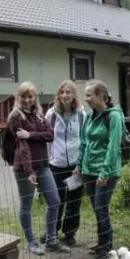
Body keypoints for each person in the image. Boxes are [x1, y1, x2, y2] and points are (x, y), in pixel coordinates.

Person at [7, 81, 71, 255]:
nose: (27, 100)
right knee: (26, 205)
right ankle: (30, 241)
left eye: (30, 96)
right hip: (24, 168)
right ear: (18, 97)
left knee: (54, 201)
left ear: (34, 97)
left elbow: (50, 135)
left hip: (43, 165)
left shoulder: (39, 114)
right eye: (23, 96)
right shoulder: (16, 117)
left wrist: (30, 135)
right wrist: (29, 171)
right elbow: (23, 147)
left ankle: (51, 240)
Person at [76, 79, 124, 259]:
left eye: (89, 95)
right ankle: (101, 242)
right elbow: (84, 142)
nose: (86, 99)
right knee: (97, 209)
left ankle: (107, 246)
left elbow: (113, 147)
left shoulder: (114, 117)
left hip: (106, 172)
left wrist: (105, 173)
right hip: (89, 170)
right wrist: (79, 165)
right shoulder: (89, 116)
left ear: (101, 96)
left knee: (101, 208)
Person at [45, 80, 85, 247]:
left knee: (74, 201)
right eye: (62, 92)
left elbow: (84, 140)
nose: (65, 95)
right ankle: (52, 232)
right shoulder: (51, 115)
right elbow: (47, 140)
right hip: (56, 165)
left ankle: (70, 233)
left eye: (68, 92)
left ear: (74, 95)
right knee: (56, 200)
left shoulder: (82, 115)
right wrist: (46, 162)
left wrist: (80, 165)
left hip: (75, 167)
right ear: (58, 95)